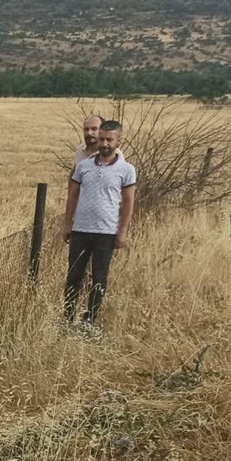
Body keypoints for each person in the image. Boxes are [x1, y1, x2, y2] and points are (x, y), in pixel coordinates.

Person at [62, 121, 137, 327]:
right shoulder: (84, 166)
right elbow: (73, 196)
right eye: (102, 138)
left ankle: (89, 321)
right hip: (81, 230)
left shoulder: (126, 170)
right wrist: (68, 224)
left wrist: (123, 231)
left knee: (99, 278)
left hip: (106, 232)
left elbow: (129, 202)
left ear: (118, 141)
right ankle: (67, 318)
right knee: (74, 275)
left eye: (109, 140)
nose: (104, 143)